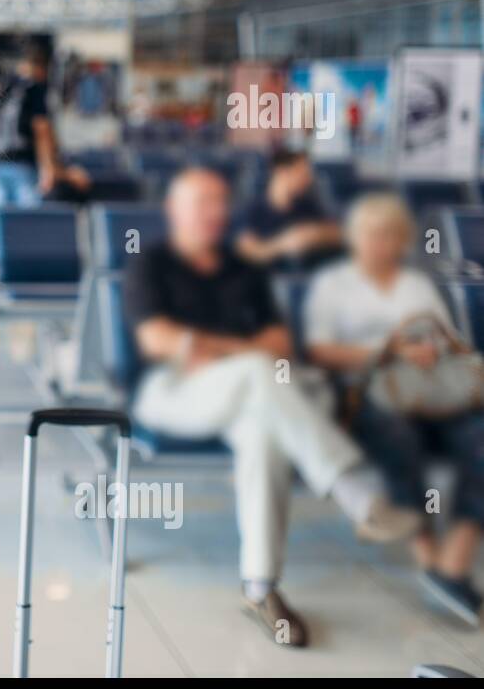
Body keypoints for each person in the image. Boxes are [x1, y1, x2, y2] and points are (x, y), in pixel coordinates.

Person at [124, 167, 420, 647]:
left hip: (249, 393)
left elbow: (280, 344)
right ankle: (353, 491)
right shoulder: (149, 265)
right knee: (259, 375)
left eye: (222, 202)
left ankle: (260, 588)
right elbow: (159, 341)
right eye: (203, 203)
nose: (216, 213)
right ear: (175, 210)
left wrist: (207, 346)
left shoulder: (245, 268)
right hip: (172, 392)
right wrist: (241, 349)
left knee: (263, 429)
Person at [306, 193, 484, 626]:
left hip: (432, 395)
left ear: (402, 240)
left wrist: (425, 352)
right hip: (366, 395)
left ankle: (453, 561)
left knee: (479, 438)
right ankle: (426, 554)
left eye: (390, 235)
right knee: (398, 436)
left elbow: (446, 340)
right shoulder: (333, 284)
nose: (381, 243)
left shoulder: (417, 286)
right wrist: (388, 351)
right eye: (372, 234)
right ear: (355, 237)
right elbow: (320, 351)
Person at [0, 42, 90, 206]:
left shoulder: (3, 86)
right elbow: (41, 129)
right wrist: (48, 170)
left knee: (1, 219)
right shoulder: (35, 87)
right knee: (28, 220)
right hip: (22, 165)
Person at [234, 148, 343, 272]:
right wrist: (286, 243)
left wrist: (316, 234)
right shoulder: (251, 210)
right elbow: (249, 251)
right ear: (282, 171)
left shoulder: (307, 205)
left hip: (310, 274)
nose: (308, 178)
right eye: (302, 172)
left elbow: (339, 234)